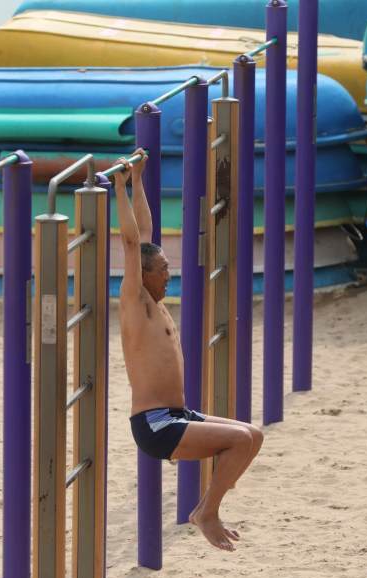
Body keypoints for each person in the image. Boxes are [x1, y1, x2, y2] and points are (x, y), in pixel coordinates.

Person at [112, 149, 264, 553]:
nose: (168, 276)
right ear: (144, 275)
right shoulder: (135, 300)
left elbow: (144, 231)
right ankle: (206, 512)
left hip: (176, 415)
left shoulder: (154, 298)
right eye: (163, 272)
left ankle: (207, 509)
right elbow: (130, 241)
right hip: (155, 424)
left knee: (252, 435)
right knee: (239, 442)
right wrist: (118, 188)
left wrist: (140, 180)